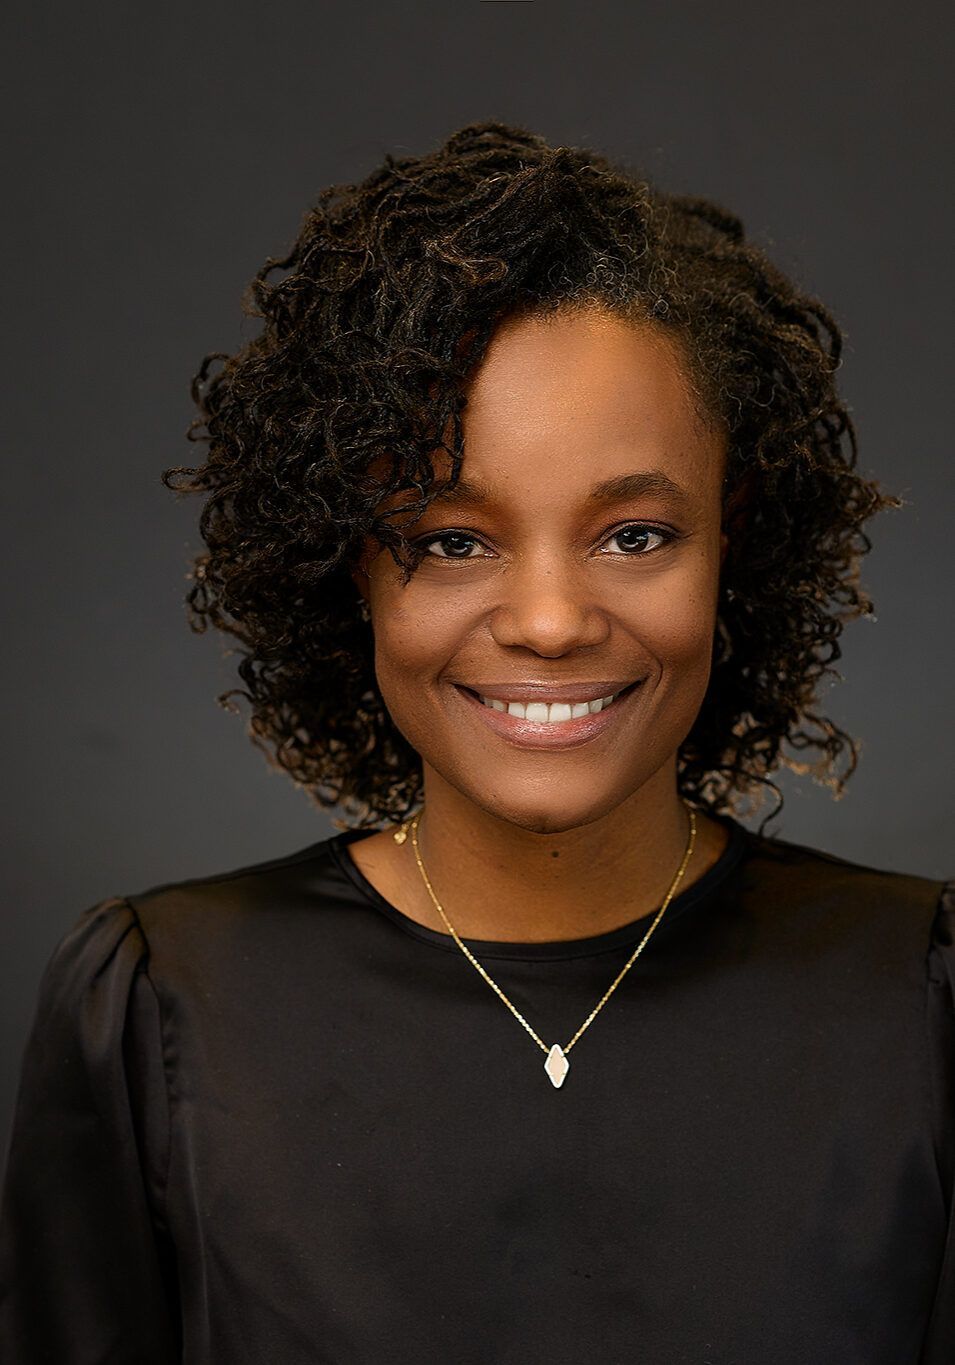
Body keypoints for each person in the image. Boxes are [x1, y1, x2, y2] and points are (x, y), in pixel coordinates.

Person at [0, 120, 951, 1363]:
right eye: (451, 538)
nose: (551, 622)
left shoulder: (917, 999)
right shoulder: (161, 1009)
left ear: (734, 542)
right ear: (349, 566)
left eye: (635, 536)